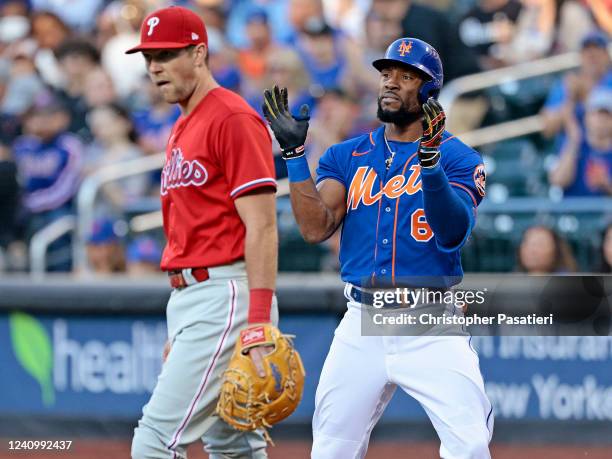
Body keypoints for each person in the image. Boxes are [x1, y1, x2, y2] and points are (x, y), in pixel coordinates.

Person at [263, 37, 492, 458]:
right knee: (331, 449)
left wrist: (430, 166)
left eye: (406, 76)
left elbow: (452, 232)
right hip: (361, 320)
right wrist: (295, 156)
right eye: (387, 73)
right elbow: (316, 229)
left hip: (429, 322)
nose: (391, 82)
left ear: (429, 92)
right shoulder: (347, 154)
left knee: (471, 445)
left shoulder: (459, 157)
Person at [126, 6, 280, 459]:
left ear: (199, 53)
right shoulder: (183, 122)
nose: (155, 67)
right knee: (232, 444)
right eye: (148, 57)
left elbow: (263, 225)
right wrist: (183, 320)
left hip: (225, 296)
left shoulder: (231, 118)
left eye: (166, 54)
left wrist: (256, 321)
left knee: (154, 440)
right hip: (195, 295)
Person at [549, 87, 612, 196]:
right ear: (586, 117)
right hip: (573, 212)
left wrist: (607, 185)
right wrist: (573, 142)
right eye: (596, 114)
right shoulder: (574, 143)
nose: (601, 121)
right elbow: (558, 181)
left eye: (606, 116)